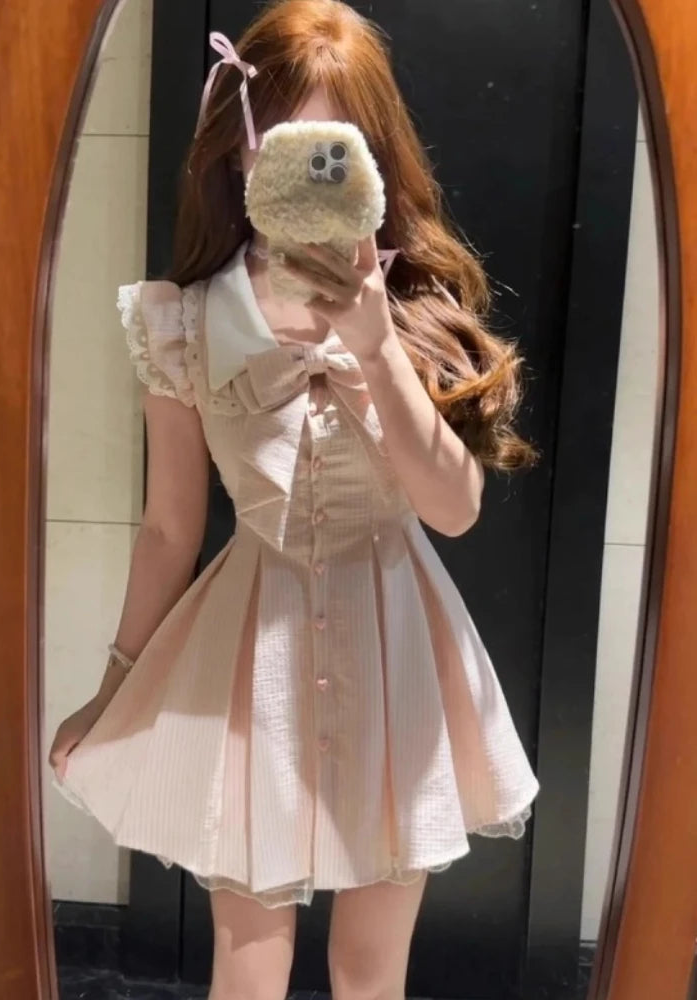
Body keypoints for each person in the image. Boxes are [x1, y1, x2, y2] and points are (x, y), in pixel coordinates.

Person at [49, 1, 540, 996]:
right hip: (247, 659)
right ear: (238, 150)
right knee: (249, 963)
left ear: (374, 160)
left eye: (333, 149)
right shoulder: (180, 325)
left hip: (400, 648)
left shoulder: (420, 313)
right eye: (281, 145)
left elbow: (453, 510)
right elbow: (169, 527)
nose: (307, 172)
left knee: (369, 969)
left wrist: (376, 348)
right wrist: (113, 690)